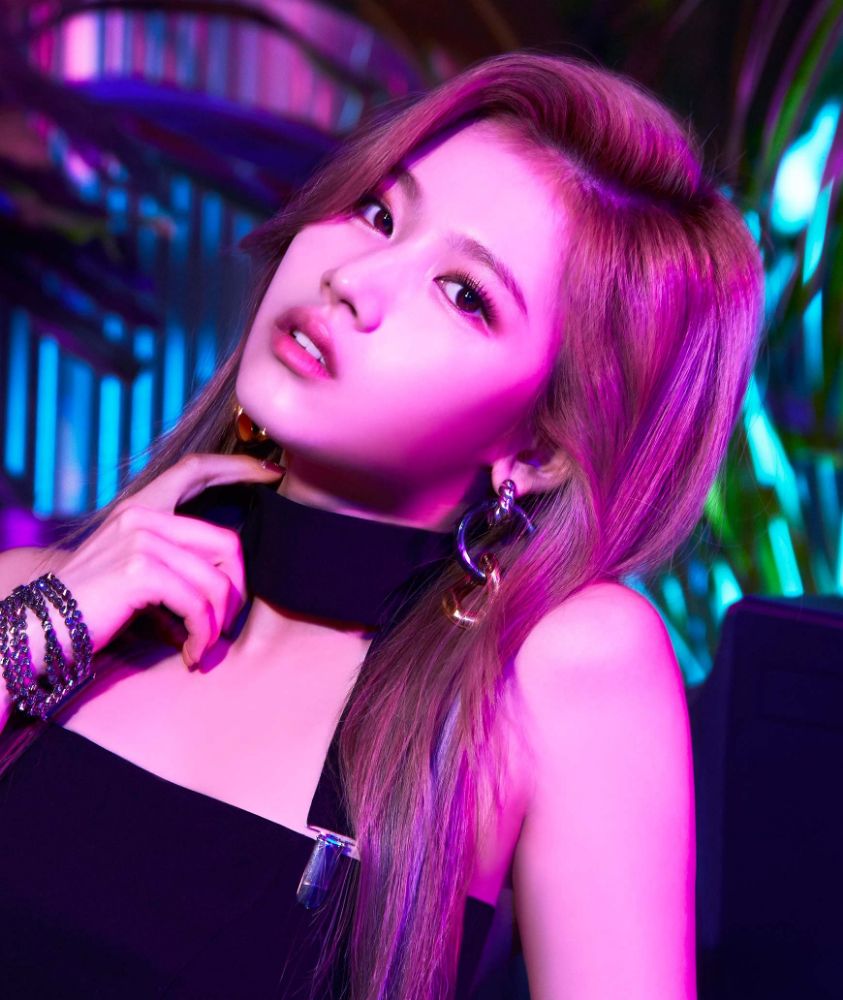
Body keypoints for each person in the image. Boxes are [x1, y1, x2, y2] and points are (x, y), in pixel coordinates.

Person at [0, 51, 761, 999]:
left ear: (536, 450)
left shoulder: (546, 671)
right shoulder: (34, 597)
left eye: (465, 294)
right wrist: (44, 625)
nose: (357, 280)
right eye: (376, 212)